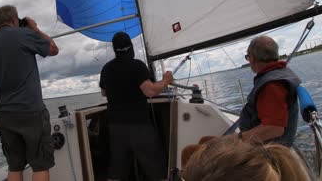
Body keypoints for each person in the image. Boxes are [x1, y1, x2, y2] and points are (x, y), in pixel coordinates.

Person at [181, 35, 302, 169]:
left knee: (190, 152)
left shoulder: (272, 85)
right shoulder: (277, 75)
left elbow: (274, 129)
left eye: (247, 57)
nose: (249, 61)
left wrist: (238, 139)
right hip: (259, 145)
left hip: (265, 154)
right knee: (205, 141)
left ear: (253, 58)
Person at [0, 5, 59, 181]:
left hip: (4, 116)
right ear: (14, 20)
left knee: (14, 167)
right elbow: (53, 49)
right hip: (31, 112)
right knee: (40, 165)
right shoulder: (25, 35)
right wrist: (34, 28)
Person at [99, 31, 174, 181]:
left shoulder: (106, 68)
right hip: (139, 126)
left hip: (116, 128)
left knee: (117, 171)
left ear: (114, 49)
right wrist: (166, 80)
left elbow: (104, 93)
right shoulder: (137, 66)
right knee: (156, 169)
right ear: (131, 47)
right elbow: (150, 91)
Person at [181, 137, 311, 181]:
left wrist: (240, 136)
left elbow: (274, 128)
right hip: (252, 144)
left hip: (253, 143)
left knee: (189, 150)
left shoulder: (271, 88)